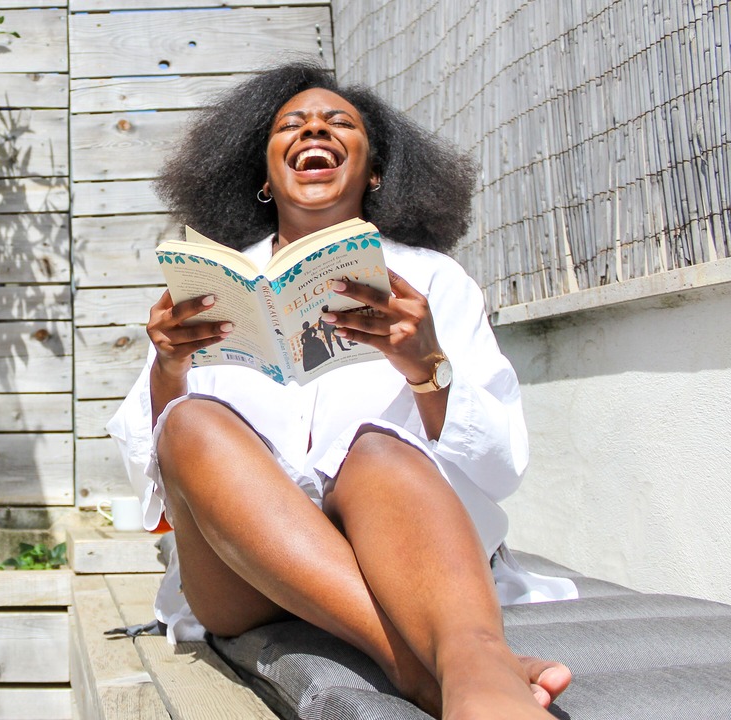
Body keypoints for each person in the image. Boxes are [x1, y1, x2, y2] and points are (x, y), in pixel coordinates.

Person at [106, 62, 578, 719]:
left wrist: (425, 363)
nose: (313, 131)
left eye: (339, 123)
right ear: (265, 179)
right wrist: (168, 368)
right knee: (188, 425)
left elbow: (498, 465)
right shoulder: (212, 286)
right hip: (247, 572)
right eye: (291, 126)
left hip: (406, 559)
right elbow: (160, 478)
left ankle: (478, 682)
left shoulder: (430, 282)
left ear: (376, 172)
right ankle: (440, 664)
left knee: (380, 450)